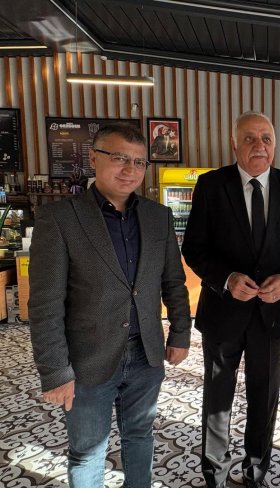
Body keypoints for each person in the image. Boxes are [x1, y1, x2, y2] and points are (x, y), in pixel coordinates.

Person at [29, 123, 191, 488]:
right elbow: (45, 303)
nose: (130, 169)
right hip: (86, 360)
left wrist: (181, 333)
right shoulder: (60, 218)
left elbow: (173, 281)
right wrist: (55, 371)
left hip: (146, 354)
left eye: (139, 161)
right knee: (87, 451)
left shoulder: (158, 216)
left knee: (140, 436)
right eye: (119, 158)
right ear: (93, 158)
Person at [182, 111, 280, 488]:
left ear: (275, 145)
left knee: (264, 396)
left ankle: (256, 471)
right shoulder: (211, 185)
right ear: (234, 144)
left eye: (266, 138)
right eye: (250, 138)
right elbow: (194, 248)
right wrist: (226, 278)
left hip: (271, 314)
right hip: (222, 314)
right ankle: (215, 475)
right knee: (217, 400)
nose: (259, 145)